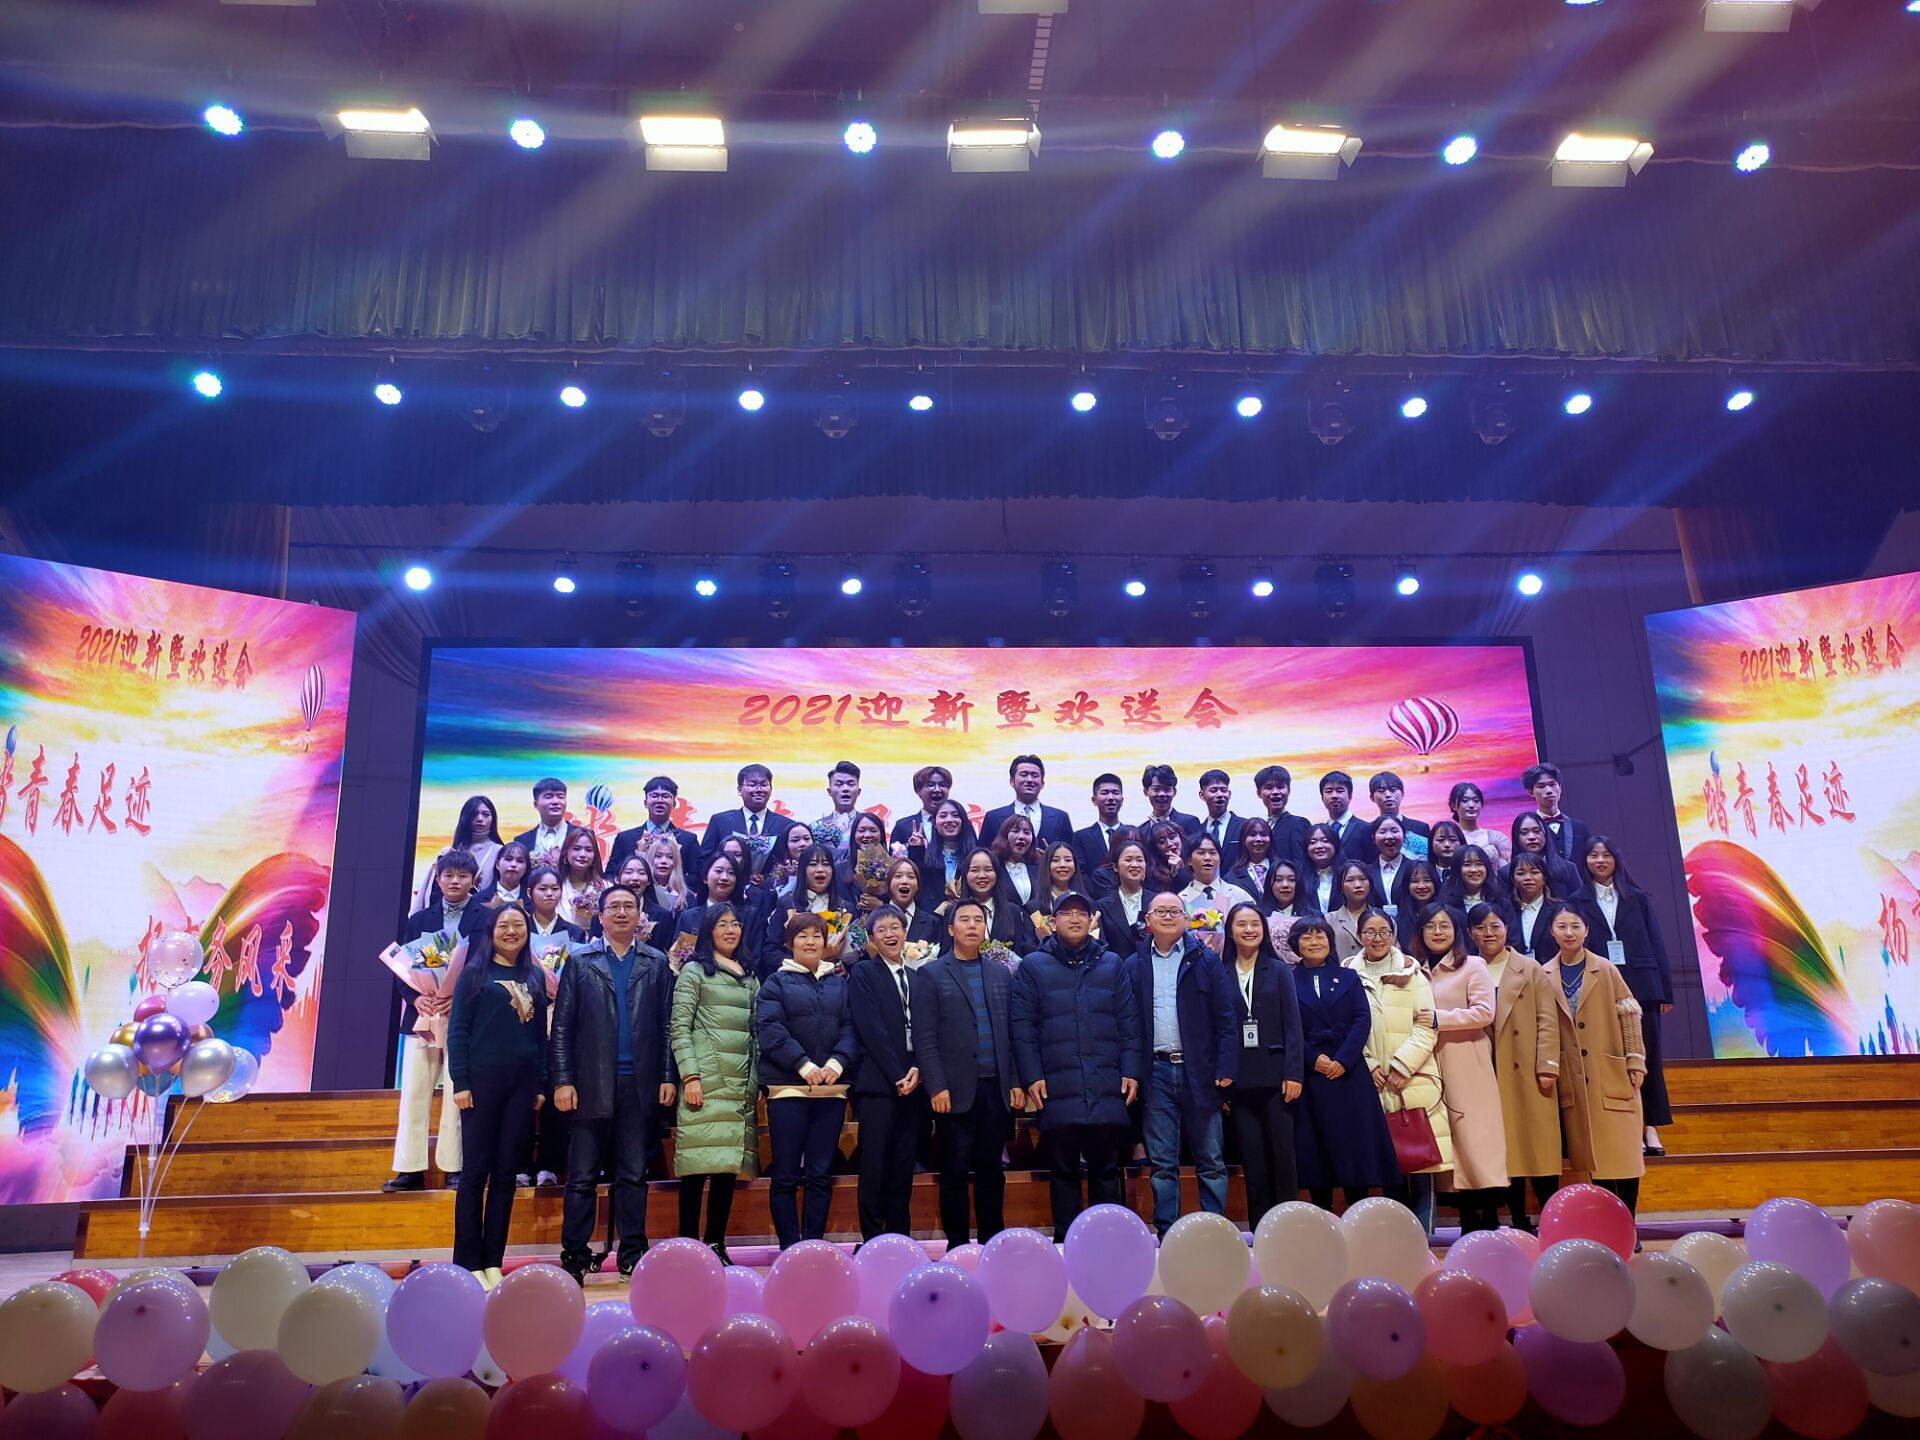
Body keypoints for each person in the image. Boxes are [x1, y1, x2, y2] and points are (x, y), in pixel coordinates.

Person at [548, 883, 678, 1281]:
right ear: (600, 916)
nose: (622, 913)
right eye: (614, 907)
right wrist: (563, 1080)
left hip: (639, 1084)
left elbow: (667, 1026)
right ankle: (574, 1255)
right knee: (582, 1177)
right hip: (590, 1084)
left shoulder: (656, 962)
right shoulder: (580, 961)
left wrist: (668, 1076)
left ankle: (632, 1252)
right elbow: (562, 1027)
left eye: (629, 906)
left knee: (634, 1175)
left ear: (640, 915)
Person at [1011, 892, 1142, 1241]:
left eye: (1081, 913)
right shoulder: (1033, 966)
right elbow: (1022, 1028)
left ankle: (1109, 1242)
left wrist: (1131, 1070)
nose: (1074, 919)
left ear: (1092, 921)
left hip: (1106, 1081)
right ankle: (1067, 1245)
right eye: (1066, 913)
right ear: (1053, 922)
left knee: (1106, 1169)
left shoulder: (1112, 964)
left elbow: (1129, 1022)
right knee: (1063, 1170)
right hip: (1057, 1084)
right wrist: (1032, 1075)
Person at [449, 904, 548, 1286]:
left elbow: (539, 1037)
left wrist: (539, 1085)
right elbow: (458, 1030)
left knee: (506, 1174)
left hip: (521, 1086)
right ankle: (467, 1261)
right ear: (491, 932)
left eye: (518, 925)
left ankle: (493, 1260)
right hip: (480, 1083)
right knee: (475, 1173)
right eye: (503, 925)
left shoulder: (534, 976)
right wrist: (461, 1082)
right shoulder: (474, 974)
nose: (511, 931)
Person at [1129, 892, 1236, 1237]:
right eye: (1160, 911)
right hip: (1156, 1071)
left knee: (1211, 1160)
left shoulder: (1206, 960)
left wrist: (1225, 1068)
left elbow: (1226, 1019)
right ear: (1148, 919)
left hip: (1200, 1071)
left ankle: (1215, 1231)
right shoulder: (1134, 964)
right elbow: (1128, 1023)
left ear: (1186, 919)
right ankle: (1167, 1233)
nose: (1168, 916)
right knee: (1162, 1163)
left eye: (1175, 911)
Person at [917, 898, 1023, 1247]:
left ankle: (993, 1243)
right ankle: (958, 1245)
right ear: (951, 929)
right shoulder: (932, 973)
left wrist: (1015, 1081)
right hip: (954, 1090)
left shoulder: (1000, 973)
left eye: (979, 919)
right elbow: (925, 1036)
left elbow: (1011, 1032)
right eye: (965, 920)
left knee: (992, 1171)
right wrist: (936, 1086)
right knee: (954, 1172)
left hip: (995, 1088)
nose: (973, 925)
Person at [1346, 906, 1451, 1233]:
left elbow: (1427, 1026)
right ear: (1359, 936)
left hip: (1413, 1077)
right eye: (1369, 932)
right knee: (1388, 1162)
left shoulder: (1413, 972)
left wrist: (1402, 1065)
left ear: (1393, 935)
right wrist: (1369, 1065)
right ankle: (1396, 1236)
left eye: (1384, 932)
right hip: (1371, 1081)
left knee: (1420, 1161)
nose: (1377, 938)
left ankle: (1423, 1238)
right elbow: (1344, 1027)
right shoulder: (1347, 973)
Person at [386, 848, 485, 1192]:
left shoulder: (486, 918)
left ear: (475, 880)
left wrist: (460, 998)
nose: (455, 881)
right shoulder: (419, 919)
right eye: (448, 875)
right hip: (423, 1017)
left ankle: (453, 1166)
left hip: (463, 1018)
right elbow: (402, 967)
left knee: (458, 1093)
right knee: (414, 1092)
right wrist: (417, 998)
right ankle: (409, 1168)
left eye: (462, 876)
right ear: (438, 879)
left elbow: (488, 966)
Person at [1539, 901, 1646, 1215]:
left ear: (1586, 930)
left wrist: (1635, 1059)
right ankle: (1607, 1222)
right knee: (1594, 1158)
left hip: (1610, 1071)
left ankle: (1627, 1223)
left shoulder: (1606, 968)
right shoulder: (1544, 974)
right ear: (1552, 932)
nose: (1569, 932)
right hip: (1573, 1076)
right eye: (1562, 926)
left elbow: (1628, 1012)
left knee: (1623, 1155)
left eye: (1575, 926)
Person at [757, 911, 856, 1249]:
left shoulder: (839, 983)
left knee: (820, 1174)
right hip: (788, 1089)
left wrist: (836, 1063)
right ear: (790, 943)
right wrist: (804, 1065)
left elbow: (851, 1027)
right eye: (803, 936)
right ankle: (789, 1248)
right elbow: (770, 1029)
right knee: (785, 1174)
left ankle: (813, 1246)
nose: (811, 941)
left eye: (817, 935)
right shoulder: (775, 982)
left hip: (830, 1089)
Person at [669, 902, 761, 1264]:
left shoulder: (750, 976)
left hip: (739, 1083)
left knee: (726, 1169)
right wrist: (690, 1076)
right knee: (696, 1169)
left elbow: (756, 1033)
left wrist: (754, 1081)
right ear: (708, 930)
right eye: (722, 924)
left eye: (735, 924)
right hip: (704, 1081)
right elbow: (679, 1028)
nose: (730, 930)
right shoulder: (694, 972)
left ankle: (716, 1244)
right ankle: (689, 1248)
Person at [1289, 918, 1400, 1211]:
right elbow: (1286, 1026)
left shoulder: (1348, 976)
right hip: (1311, 1073)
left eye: (1320, 936)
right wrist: (1313, 1058)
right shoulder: (1287, 979)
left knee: (1355, 1147)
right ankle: (1322, 1215)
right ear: (1296, 944)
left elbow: (1362, 1019)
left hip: (1349, 1073)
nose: (1314, 942)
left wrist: (1343, 1059)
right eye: (1307, 937)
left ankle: (1357, 1212)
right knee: (1316, 1149)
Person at [1573, 837, 1675, 1157]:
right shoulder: (1577, 900)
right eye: (1593, 855)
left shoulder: (1637, 897)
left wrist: (1665, 990)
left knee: (1648, 1057)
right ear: (1585, 861)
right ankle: (1628, 1126)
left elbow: (1656, 943)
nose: (1600, 860)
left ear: (1616, 859)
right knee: (1612, 1058)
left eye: (1606, 855)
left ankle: (1651, 1127)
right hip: (1600, 985)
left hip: (1643, 985)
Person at [1412, 903, 1507, 1233]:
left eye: (1445, 926)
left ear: (1457, 932)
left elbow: (1484, 1013)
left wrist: (1439, 1019)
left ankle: (1490, 1219)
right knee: (1449, 1144)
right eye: (1430, 926)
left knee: (1477, 1142)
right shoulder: (1415, 968)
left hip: (1468, 1061)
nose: (1437, 932)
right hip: (1430, 1065)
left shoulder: (1473, 965)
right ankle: (1467, 1221)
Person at [1465, 903, 1561, 1232]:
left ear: (1507, 928)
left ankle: (1552, 1219)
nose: (1488, 933)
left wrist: (1548, 1065)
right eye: (1480, 928)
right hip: (1486, 1071)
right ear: (1470, 933)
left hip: (1527, 1070)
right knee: (1503, 1152)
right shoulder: (1469, 967)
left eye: (1495, 926)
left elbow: (1547, 1020)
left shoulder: (1529, 968)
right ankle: (1519, 1219)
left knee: (1538, 1147)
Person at [848, 903, 931, 1239]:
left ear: (905, 932)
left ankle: (899, 1237)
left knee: (903, 1164)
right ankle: (872, 1238)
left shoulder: (917, 977)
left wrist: (918, 1068)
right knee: (874, 1163)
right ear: (871, 938)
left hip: (914, 1082)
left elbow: (926, 1029)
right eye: (881, 930)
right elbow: (871, 1029)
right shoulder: (863, 973)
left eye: (895, 928)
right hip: (879, 1083)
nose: (889, 934)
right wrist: (898, 1073)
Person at [1222, 902, 1303, 1226]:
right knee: (1252, 1158)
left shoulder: (1280, 970)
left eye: (1255, 924)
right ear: (1230, 931)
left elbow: (1293, 1025)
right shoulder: (1220, 971)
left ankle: (1287, 1227)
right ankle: (1261, 1229)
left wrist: (1294, 1073)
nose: (1249, 930)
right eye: (1241, 924)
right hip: (1238, 1080)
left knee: (1283, 1156)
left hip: (1276, 1076)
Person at [522, 865, 585, 1188]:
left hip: (561, 1019)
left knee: (557, 1087)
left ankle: (550, 1163)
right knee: (524, 1092)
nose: (549, 894)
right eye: (542, 888)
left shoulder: (574, 933)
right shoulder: (518, 928)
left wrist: (561, 990)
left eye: (554, 888)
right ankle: (520, 1163)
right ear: (529, 893)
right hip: (524, 1016)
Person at [765, 844, 855, 966]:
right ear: (803, 870)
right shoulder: (787, 904)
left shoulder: (845, 908)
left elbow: (855, 950)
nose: (820, 869)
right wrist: (796, 965)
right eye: (813, 864)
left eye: (826, 864)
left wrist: (842, 968)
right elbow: (770, 949)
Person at [702, 763, 798, 877]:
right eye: (752, 785)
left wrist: (767, 880)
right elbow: (705, 860)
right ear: (739, 790)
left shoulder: (786, 825)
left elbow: (790, 865)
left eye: (764, 785)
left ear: (771, 790)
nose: (759, 789)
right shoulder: (720, 821)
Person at [605, 776, 701, 883]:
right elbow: (610, 875)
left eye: (665, 796)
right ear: (645, 803)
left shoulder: (688, 840)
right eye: (654, 796)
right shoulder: (624, 839)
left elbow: (697, 877)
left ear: (674, 804)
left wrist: (671, 882)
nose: (660, 800)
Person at [943, 848, 1037, 955]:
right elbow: (945, 954)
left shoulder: (1013, 911)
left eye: (988, 870)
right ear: (965, 875)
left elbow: (1018, 952)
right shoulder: (952, 911)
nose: (982, 876)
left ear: (997, 874)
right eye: (975, 870)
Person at [417, 795, 505, 909]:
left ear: (493, 819)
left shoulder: (501, 853)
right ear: (465, 818)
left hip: (484, 914)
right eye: (474, 814)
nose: (480, 819)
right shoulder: (447, 852)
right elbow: (433, 894)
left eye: (486, 814)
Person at [982, 755, 1076, 850]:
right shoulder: (993, 817)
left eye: (1035, 776)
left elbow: (1071, 854)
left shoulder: (1061, 818)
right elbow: (983, 854)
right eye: (1024, 775)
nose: (1030, 780)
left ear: (1042, 783)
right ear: (1012, 781)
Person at [1512, 763, 1592, 868]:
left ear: (1560, 788)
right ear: (1531, 792)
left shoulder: (1579, 827)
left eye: (1552, 784)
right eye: (1541, 786)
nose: (1549, 791)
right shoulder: (1527, 830)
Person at [1344, 772, 1432, 864]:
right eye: (1381, 791)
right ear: (1372, 797)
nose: (1388, 795)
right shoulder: (1366, 831)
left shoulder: (1420, 828)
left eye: (1393, 790)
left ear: (1402, 794)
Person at [892, 765, 975, 854]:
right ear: (918, 790)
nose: (937, 789)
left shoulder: (962, 823)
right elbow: (892, 860)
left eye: (942, 785)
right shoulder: (902, 826)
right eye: (931, 785)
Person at [1094, 838, 1151, 955]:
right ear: (1115, 867)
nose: (1135, 865)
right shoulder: (1102, 906)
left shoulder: (1156, 901)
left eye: (1139, 860)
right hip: (1117, 964)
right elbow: (1102, 945)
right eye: (1128, 860)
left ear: (1145, 865)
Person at [1254, 764, 1313, 875]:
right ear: (1258, 793)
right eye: (1269, 788)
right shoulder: (1264, 827)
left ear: (1288, 790)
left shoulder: (1298, 824)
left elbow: (1302, 866)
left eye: (1280, 787)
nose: (1275, 792)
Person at [1446, 845, 1516, 934]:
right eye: (1467, 865)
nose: (1474, 870)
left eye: (1479, 864)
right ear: (1457, 870)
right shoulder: (1446, 904)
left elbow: (1513, 938)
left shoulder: (1502, 903)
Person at [1509, 815, 1580, 902]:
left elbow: (1579, 904)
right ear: (1516, 837)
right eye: (1524, 833)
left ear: (1545, 833)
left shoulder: (1568, 868)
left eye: (1536, 831)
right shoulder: (1505, 873)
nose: (1532, 837)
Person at [916, 798, 974, 903]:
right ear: (934, 824)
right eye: (943, 816)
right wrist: (915, 850)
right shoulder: (926, 855)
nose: (949, 820)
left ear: (963, 821)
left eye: (955, 816)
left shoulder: (975, 856)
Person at [1071, 773, 1128, 877]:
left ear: (1122, 800)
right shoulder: (1081, 838)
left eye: (1115, 793)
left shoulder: (1133, 835)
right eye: (1104, 793)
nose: (1110, 797)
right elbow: (1081, 874)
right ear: (1094, 800)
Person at [838, 812, 895, 916]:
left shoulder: (893, 869)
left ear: (881, 835)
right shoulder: (839, 870)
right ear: (854, 835)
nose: (867, 835)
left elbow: (902, 905)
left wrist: (881, 906)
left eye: (873, 830)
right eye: (861, 830)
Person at [1261, 861, 1318, 964]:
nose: (1285, 885)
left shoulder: (1314, 916)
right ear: (1269, 884)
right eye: (1278, 880)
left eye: (1291, 880)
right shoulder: (1260, 917)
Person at [1191, 769, 1245, 870]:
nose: (1220, 795)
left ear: (1229, 794)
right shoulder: (1197, 830)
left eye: (1223, 790)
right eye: (1214, 790)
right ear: (1202, 795)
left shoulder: (1244, 826)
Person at [884, 856, 945, 944]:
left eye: (911, 877)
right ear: (889, 884)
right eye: (898, 876)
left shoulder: (932, 923)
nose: (904, 881)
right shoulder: (875, 919)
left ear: (918, 886)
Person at [1449, 782, 1511, 868]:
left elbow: (1505, 870)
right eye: (1465, 801)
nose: (1471, 805)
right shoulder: (1450, 839)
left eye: (1476, 801)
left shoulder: (1497, 837)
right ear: (1453, 805)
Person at [513, 779, 572, 870]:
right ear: (536, 804)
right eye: (548, 797)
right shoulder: (521, 841)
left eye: (560, 796)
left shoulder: (584, 835)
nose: (556, 801)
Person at [1328, 861, 1381, 961]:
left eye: (1362, 879)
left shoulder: (1384, 920)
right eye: (1350, 880)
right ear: (1341, 888)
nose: (1357, 885)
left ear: (1370, 885)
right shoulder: (1329, 920)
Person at [558, 825, 607, 928]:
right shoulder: (554, 886)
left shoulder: (606, 887)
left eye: (588, 850)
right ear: (566, 852)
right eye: (577, 849)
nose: (582, 854)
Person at [1506, 853, 1556, 955]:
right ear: (1513, 879)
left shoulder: (1558, 909)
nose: (1528, 877)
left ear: (1544, 878)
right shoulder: (1505, 909)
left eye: (1534, 872)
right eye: (1521, 873)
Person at [989, 813, 1043, 908]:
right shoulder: (993, 867)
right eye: (1015, 831)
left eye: (1027, 832)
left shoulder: (1039, 867)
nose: (1021, 837)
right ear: (1005, 835)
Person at [814, 760, 865, 853]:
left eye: (851, 784)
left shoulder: (868, 827)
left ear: (858, 791)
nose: (845, 789)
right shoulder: (816, 827)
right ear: (829, 791)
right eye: (839, 784)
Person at [1391, 860, 1442, 952]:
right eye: (1415, 881)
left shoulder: (1447, 916)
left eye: (1427, 880)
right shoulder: (1397, 922)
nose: (1421, 886)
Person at [1139, 764, 1201, 836]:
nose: (1162, 794)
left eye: (1167, 789)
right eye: (1156, 789)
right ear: (1145, 792)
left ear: (1174, 792)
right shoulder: (1141, 831)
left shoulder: (1189, 822)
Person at [1225, 816, 1275, 901]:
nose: (1258, 839)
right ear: (1243, 840)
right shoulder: (1231, 877)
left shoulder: (1283, 870)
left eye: (1263, 835)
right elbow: (1225, 905)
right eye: (1252, 835)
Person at [1143, 818, 1193, 896]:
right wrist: (1175, 873)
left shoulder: (1195, 861)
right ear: (1156, 849)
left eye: (1172, 837)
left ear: (1180, 837)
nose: (1169, 844)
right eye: (1162, 842)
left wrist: (1180, 872)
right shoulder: (1151, 875)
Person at [1303, 823, 1344, 917]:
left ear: (1335, 845)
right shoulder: (1298, 877)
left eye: (1325, 841)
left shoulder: (1347, 875)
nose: (1319, 846)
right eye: (1312, 842)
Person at [1319, 771, 1363, 854]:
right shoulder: (1319, 833)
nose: (1334, 796)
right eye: (1329, 791)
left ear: (1350, 796)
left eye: (1339, 791)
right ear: (1322, 798)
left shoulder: (1365, 829)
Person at [477, 841, 529, 908]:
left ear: (526, 868)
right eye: (508, 859)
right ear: (497, 864)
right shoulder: (478, 900)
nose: (513, 864)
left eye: (520, 861)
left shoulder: (534, 901)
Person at [1427, 821, 1465, 891]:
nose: (1447, 844)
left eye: (1453, 840)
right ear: (1431, 843)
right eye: (1440, 840)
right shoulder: (1425, 873)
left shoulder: (1467, 873)